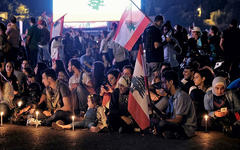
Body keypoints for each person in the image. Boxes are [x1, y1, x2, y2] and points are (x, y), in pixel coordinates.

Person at [156, 70, 197, 139]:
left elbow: (178, 120)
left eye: (164, 83)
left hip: (186, 128)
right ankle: (169, 133)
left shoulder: (181, 96)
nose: (162, 86)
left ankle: (171, 133)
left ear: (171, 82)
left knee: (161, 124)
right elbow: (170, 116)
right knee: (157, 121)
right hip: (177, 125)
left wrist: (163, 121)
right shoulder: (172, 97)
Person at [143, 15, 164, 81]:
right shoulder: (156, 30)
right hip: (156, 59)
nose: (161, 25)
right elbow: (156, 45)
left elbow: (144, 45)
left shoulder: (146, 30)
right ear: (159, 21)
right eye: (161, 23)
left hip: (147, 59)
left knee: (149, 79)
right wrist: (166, 41)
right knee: (156, 79)